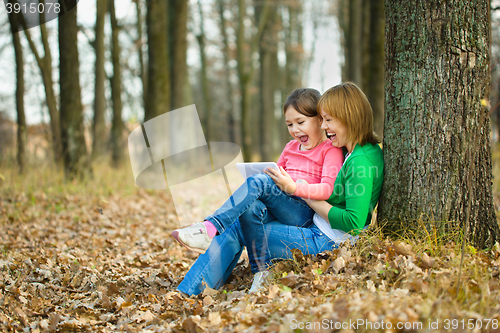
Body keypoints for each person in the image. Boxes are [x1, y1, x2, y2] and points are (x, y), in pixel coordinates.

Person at [176, 82, 384, 295]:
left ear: (349, 117)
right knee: (247, 213)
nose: (323, 126)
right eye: (323, 119)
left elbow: (354, 223)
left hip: (325, 239)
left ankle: (202, 263)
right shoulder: (353, 151)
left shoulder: (360, 161)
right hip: (315, 225)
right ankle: (196, 286)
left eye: (328, 120)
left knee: (242, 227)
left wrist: (302, 193)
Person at [171, 88, 344, 259]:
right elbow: (276, 175)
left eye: (301, 122)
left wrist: (293, 187)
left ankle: (210, 227)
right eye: (290, 124)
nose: (295, 129)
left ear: (319, 120)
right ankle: (260, 271)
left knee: (260, 182)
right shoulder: (290, 147)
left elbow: (327, 189)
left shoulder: (330, 150)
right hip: (281, 204)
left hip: (304, 211)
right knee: (251, 210)